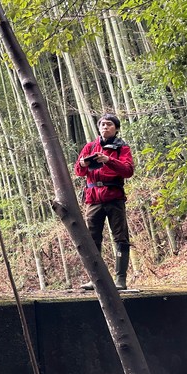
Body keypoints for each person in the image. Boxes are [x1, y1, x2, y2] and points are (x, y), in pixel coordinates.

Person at [74, 113, 135, 291]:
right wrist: (84, 164)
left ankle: (120, 279)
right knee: (92, 240)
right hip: (93, 198)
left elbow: (128, 171)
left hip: (114, 196)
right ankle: (96, 279)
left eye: (109, 124)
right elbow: (78, 171)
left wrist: (109, 160)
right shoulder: (90, 146)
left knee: (120, 238)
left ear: (116, 128)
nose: (105, 127)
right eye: (102, 124)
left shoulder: (121, 148)